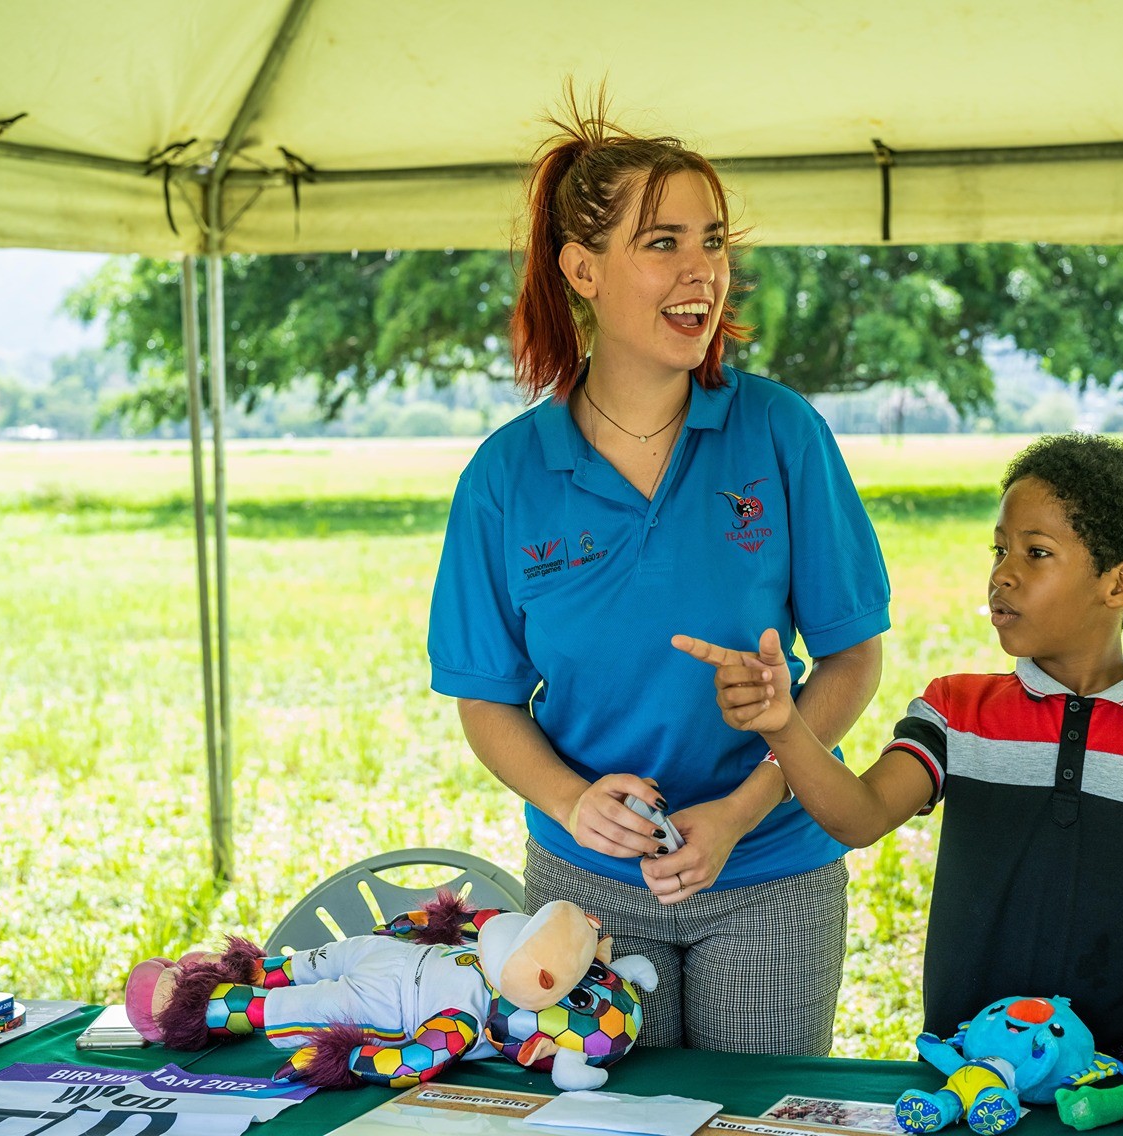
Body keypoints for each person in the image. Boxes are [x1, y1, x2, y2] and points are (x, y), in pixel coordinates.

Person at [426, 94, 890, 1055]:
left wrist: (740, 810)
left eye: (712, 242)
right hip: (586, 884)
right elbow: (485, 700)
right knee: (608, 1117)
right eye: (663, 242)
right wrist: (571, 802)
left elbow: (851, 660)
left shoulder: (781, 432)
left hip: (770, 871)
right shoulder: (505, 476)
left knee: (752, 1118)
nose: (701, 271)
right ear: (582, 270)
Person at [675, 434, 1123, 1088]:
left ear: (1121, 583)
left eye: (1036, 552)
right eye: (999, 550)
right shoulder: (957, 711)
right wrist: (785, 724)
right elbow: (859, 817)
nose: (1002, 573)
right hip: (977, 1075)